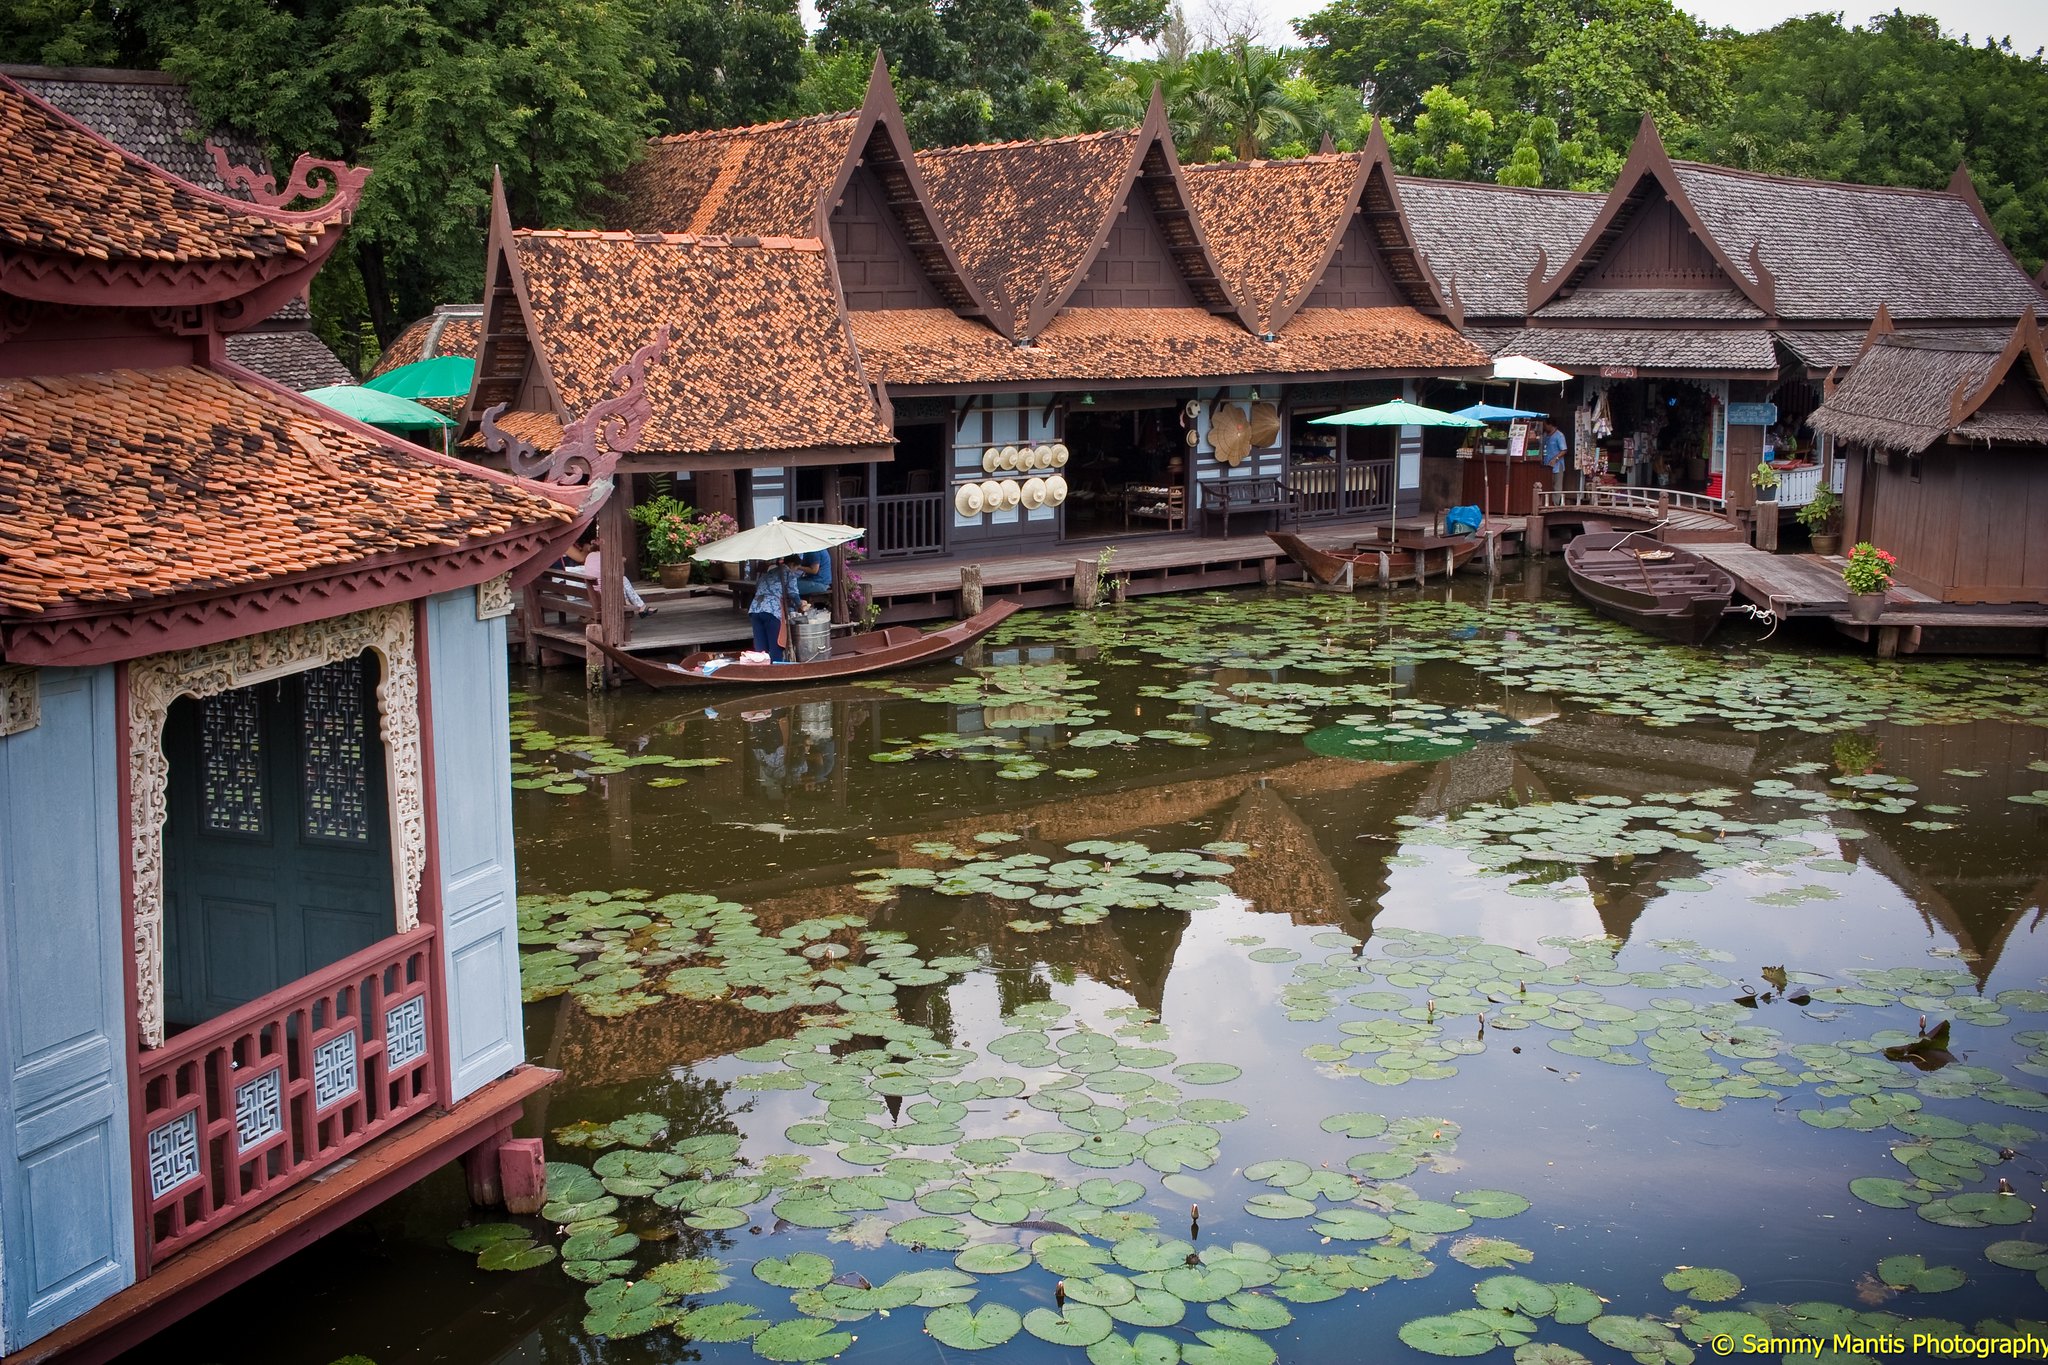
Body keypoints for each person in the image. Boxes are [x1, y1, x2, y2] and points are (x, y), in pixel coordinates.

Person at [565, 533, 654, 617]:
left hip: (594, 593)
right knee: (623, 579)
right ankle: (637, 605)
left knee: (620, 580)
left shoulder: (589, 556)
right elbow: (620, 572)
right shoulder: (605, 557)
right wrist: (620, 560)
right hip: (606, 593)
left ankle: (637, 605)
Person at [747, 554, 805, 662]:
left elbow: (758, 587)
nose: (796, 571)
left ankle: (762, 669)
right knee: (776, 646)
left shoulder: (767, 574)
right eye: (796, 568)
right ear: (792, 564)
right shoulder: (789, 574)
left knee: (761, 649)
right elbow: (793, 594)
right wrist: (800, 605)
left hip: (755, 608)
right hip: (772, 610)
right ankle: (777, 669)